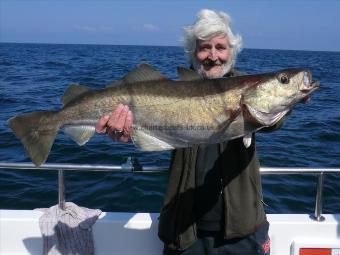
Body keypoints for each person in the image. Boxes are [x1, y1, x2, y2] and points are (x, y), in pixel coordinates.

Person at [96, 9, 274, 255]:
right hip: (183, 229)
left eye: (221, 47)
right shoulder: (169, 92)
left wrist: (290, 99)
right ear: (193, 53)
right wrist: (125, 134)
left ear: (231, 52)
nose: (213, 56)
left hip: (242, 229)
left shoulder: (248, 88)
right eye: (204, 48)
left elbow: (272, 120)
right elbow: (147, 134)